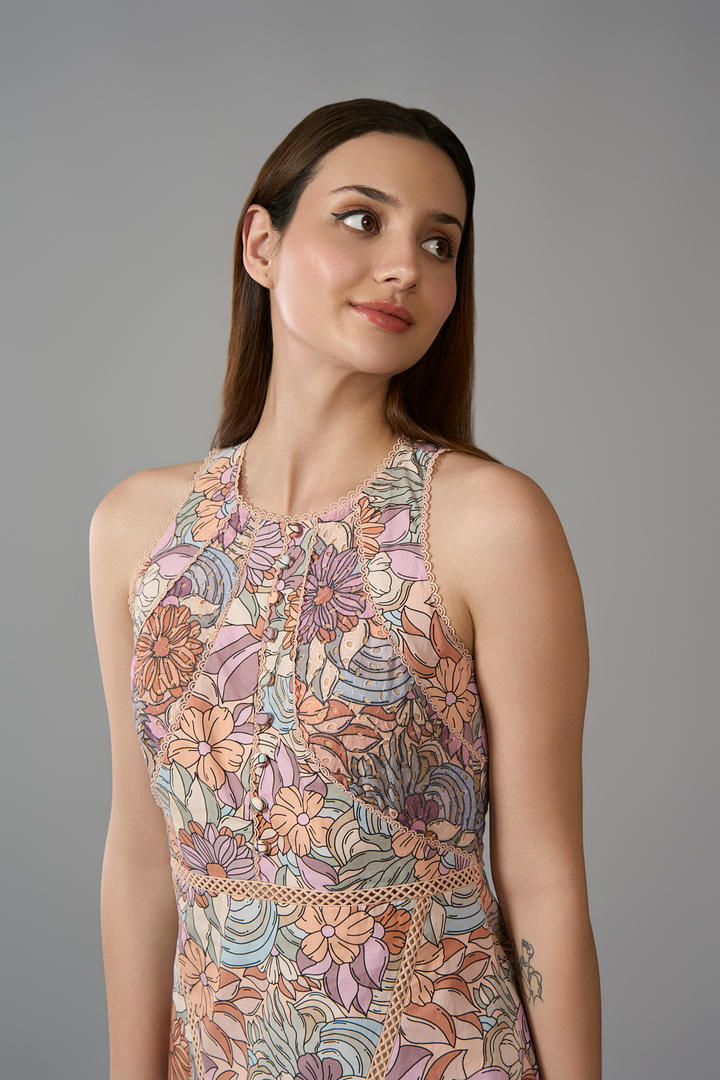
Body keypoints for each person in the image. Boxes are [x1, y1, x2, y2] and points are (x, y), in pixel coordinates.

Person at [89, 97, 601, 1080]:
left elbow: (545, 878)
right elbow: (142, 856)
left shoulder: (488, 523)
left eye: (440, 243)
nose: (406, 265)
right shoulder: (138, 531)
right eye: (362, 219)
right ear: (262, 244)